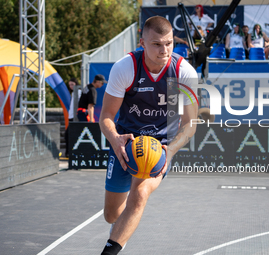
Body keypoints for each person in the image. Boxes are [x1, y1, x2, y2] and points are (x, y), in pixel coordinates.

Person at [99, 16, 198, 255]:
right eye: (156, 44)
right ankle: (121, 229)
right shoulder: (126, 67)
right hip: (125, 142)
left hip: (160, 146)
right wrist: (115, 140)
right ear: (142, 42)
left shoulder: (183, 72)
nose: (164, 50)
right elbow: (106, 117)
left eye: (168, 43)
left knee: (140, 193)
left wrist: (170, 150)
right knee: (111, 214)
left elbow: (190, 123)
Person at [64, 78, 82, 157]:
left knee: (68, 134)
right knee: (67, 134)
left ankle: (69, 152)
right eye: (69, 85)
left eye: (72, 84)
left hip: (75, 116)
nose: (71, 86)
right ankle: (68, 152)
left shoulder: (79, 92)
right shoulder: (73, 93)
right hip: (71, 116)